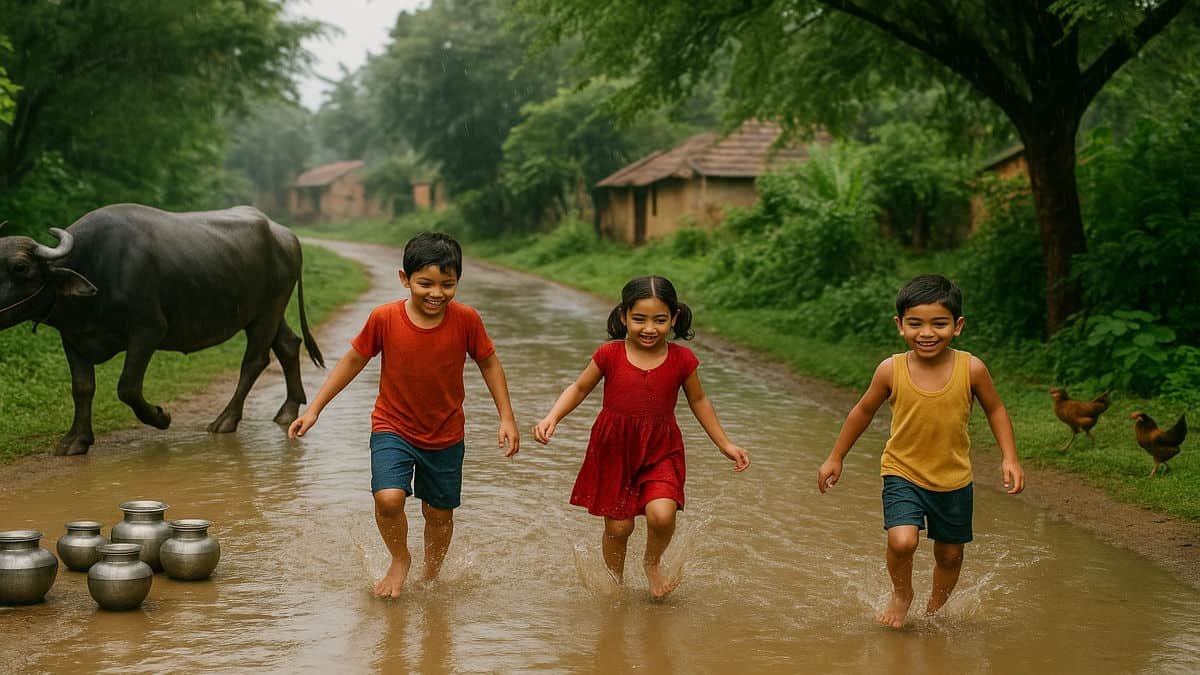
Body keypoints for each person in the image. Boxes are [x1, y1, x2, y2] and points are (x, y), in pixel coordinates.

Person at [288, 232, 520, 598]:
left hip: (445, 433)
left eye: (448, 284)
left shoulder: (467, 320)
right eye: (425, 283)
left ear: (458, 281)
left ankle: (432, 574)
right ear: (404, 279)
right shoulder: (384, 318)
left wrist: (506, 416)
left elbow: (489, 363)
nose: (436, 293)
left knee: (439, 515)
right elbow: (352, 361)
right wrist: (315, 409)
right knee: (388, 498)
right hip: (392, 427)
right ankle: (400, 559)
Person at [817, 274, 1025, 628]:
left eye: (939, 324)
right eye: (915, 324)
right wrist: (836, 456)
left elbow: (996, 409)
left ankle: (934, 612)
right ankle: (902, 594)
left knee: (950, 554)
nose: (926, 333)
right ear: (900, 326)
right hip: (903, 472)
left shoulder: (971, 368)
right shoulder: (891, 369)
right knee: (902, 541)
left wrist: (1010, 457)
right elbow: (862, 412)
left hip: (953, 478)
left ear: (957, 326)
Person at [533, 275, 750, 598]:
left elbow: (699, 402)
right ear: (623, 316)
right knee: (618, 528)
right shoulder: (609, 354)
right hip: (613, 449)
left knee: (662, 515)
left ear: (674, 319)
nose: (649, 328)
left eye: (660, 320)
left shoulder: (682, 360)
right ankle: (614, 583)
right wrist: (553, 416)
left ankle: (652, 562)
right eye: (639, 319)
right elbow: (579, 388)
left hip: (661, 449)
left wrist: (725, 444)